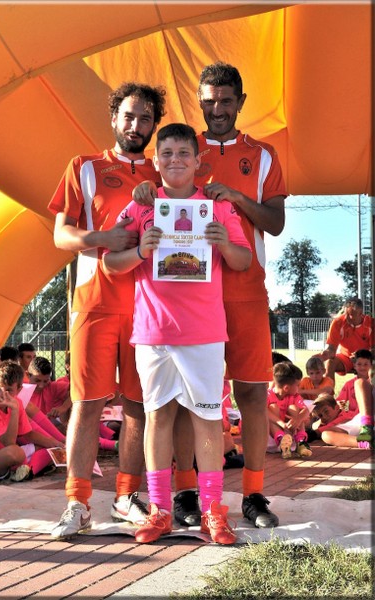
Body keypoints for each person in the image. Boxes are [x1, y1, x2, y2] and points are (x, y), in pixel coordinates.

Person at [132, 62, 287, 527]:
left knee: (252, 393)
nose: (217, 110)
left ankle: (253, 495)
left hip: (243, 289)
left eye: (225, 101)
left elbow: (276, 223)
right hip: (184, 302)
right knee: (183, 403)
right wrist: (144, 190)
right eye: (209, 101)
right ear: (199, 103)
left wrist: (236, 198)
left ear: (240, 102)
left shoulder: (262, 155)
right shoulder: (183, 147)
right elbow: (152, 197)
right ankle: (183, 492)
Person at [48, 82, 198, 540]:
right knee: (87, 404)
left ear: (154, 125)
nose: (136, 125)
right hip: (94, 302)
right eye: (129, 115)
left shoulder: (164, 170)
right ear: (114, 117)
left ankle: (126, 497)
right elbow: (60, 234)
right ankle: (77, 503)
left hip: (149, 308)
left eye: (145, 118)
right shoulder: (84, 166)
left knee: (140, 405)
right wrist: (101, 239)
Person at [103, 122, 252, 544]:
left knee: (207, 419)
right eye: (166, 153)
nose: (175, 160)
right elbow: (111, 262)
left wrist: (224, 244)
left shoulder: (216, 207)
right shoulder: (141, 205)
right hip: (153, 332)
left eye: (184, 153)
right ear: (156, 160)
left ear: (197, 160)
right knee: (158, 418)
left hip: (204, 332)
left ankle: (213, 512)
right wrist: (140, 250)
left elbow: (242, 261)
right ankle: (160, 510)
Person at [0, 360, 62, 483]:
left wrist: (55, 443)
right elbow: (9, 442)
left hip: (4, 453)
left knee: (49, 448)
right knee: (15, 452)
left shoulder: (17, 403)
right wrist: (14, 411)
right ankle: (25, 468)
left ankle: (27, 470)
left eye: (8, 390)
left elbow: (28, 433)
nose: (1, 394)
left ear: (19, 389)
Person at [316, 297, 374, 381]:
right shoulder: (338, 322)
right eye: (345, 313)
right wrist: (322, 356)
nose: (346, 317)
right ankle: (327, 389)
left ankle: (369, 387)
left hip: (367, 358)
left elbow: (373, 350)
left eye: (350, 315)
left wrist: (360, 356)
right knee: (329, 363)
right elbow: (331, 349)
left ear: (360, 313)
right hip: (346, 357)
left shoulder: (371, 323)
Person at [267, 362, 312, 459]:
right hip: (269, 437)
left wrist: (297, 420)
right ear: (286, 388)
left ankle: (301, 442)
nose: (299, 388)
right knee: (272, 407)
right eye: (298, 385)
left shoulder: (294, 396)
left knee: (294, 409)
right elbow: (263, 412)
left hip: (289, 432)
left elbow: (306, 410)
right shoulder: (268, 395)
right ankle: (282, 442)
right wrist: (281, 423)